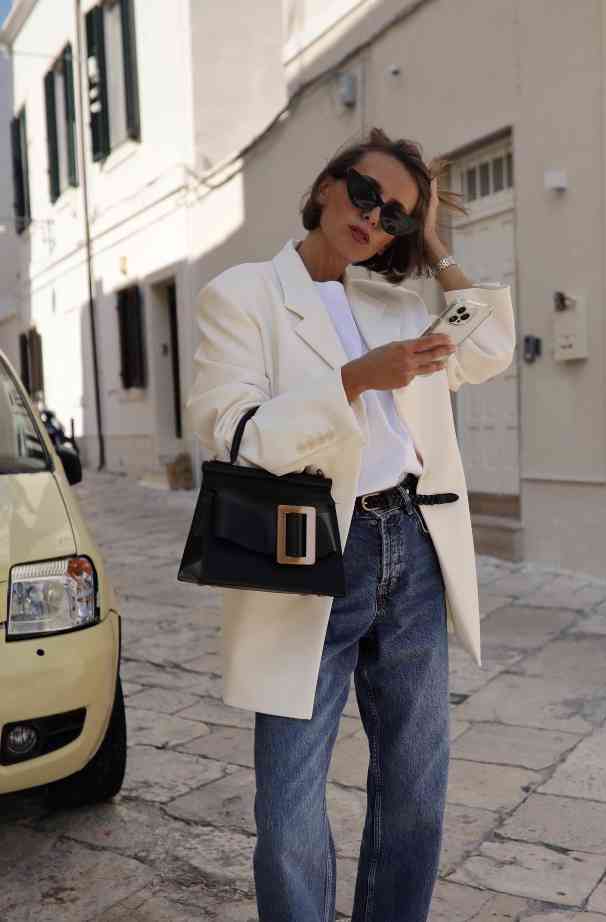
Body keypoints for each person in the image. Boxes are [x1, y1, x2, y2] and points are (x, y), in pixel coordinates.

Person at [186, 127, 516, 922]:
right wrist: (355, 382)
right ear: (327, 187)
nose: (374, 217)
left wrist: (435, 243)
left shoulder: (395, 301)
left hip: (415, 544)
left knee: (416, 787)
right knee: (292, 808)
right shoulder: (241, 294)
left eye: (396, 214)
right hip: (309, 553)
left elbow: (491, 347)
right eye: (365, 194)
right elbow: (230, 429)